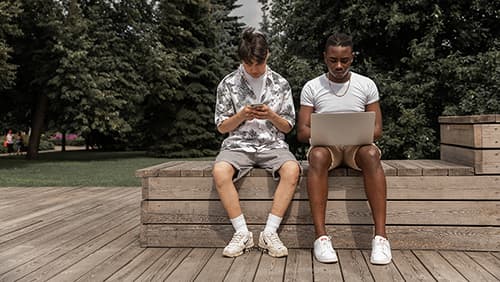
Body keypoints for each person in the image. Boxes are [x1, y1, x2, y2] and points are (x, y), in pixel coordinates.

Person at [297, 32, 392, 265]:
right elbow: (302, 131)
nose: (338, 66)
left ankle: (380, 237)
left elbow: (377, 129)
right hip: (326, 149)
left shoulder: (366, 84)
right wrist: (328, 132)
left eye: (345, 60)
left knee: (371, 153)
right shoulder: (312, 87)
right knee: (317, 156)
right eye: (333, 60)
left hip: (356, 148)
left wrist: (350, 131)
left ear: (352, 57)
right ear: (324, 57)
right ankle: (320, 237)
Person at [212, 27, 301, 258]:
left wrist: (271, 116)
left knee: (292, 169)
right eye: (248, 64)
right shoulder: (228, 84)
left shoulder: (280, 84)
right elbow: (222, 127)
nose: (253, 69)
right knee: (220, 171)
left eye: (258, 64)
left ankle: (269, 234)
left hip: (273, 145)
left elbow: (288, 126)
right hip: (238, 145)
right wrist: (241, 116)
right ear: (242, 60)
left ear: (267, 55)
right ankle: (242, 233)